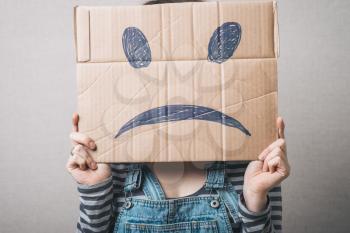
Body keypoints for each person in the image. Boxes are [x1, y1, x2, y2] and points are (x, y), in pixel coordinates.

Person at [67, 1, 290, 232]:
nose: (179, 84)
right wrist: (94, 187)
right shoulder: (112, 161)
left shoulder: (249, 162)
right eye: (139, 54)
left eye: (221, 51)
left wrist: (255, 195)